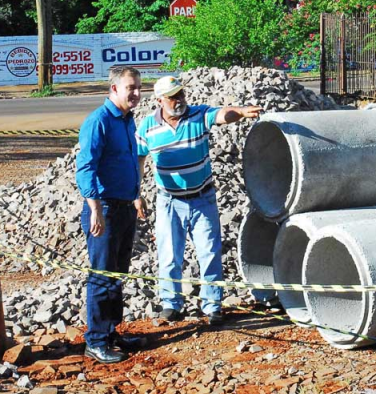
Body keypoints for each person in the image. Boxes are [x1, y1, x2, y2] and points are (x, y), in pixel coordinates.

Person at [136, 76, 262, 323]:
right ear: (160, 100)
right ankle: (171, 304)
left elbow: (222, 115)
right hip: (169, 202)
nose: (179, 100)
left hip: (202, 199)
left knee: (209, 253)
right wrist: (136, 193)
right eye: (173, 97)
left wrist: (240, 111)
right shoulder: (147, 127)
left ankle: (212, 305)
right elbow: (138, 158)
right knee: (169, 256)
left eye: (181, 94)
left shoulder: (198, 115)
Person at [76, 66, 145, 364]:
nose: (137, 93)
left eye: (139, 87)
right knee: (103, 276)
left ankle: (111, 332)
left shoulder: (127, 120)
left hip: (125, 207)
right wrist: (95, 210)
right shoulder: (99, 121)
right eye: (131, 88)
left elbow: (129, 162)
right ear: (114, 89)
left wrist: (136, 195)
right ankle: (96, 340)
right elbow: (85, 168)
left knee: (117, 273)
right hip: (104, 209)